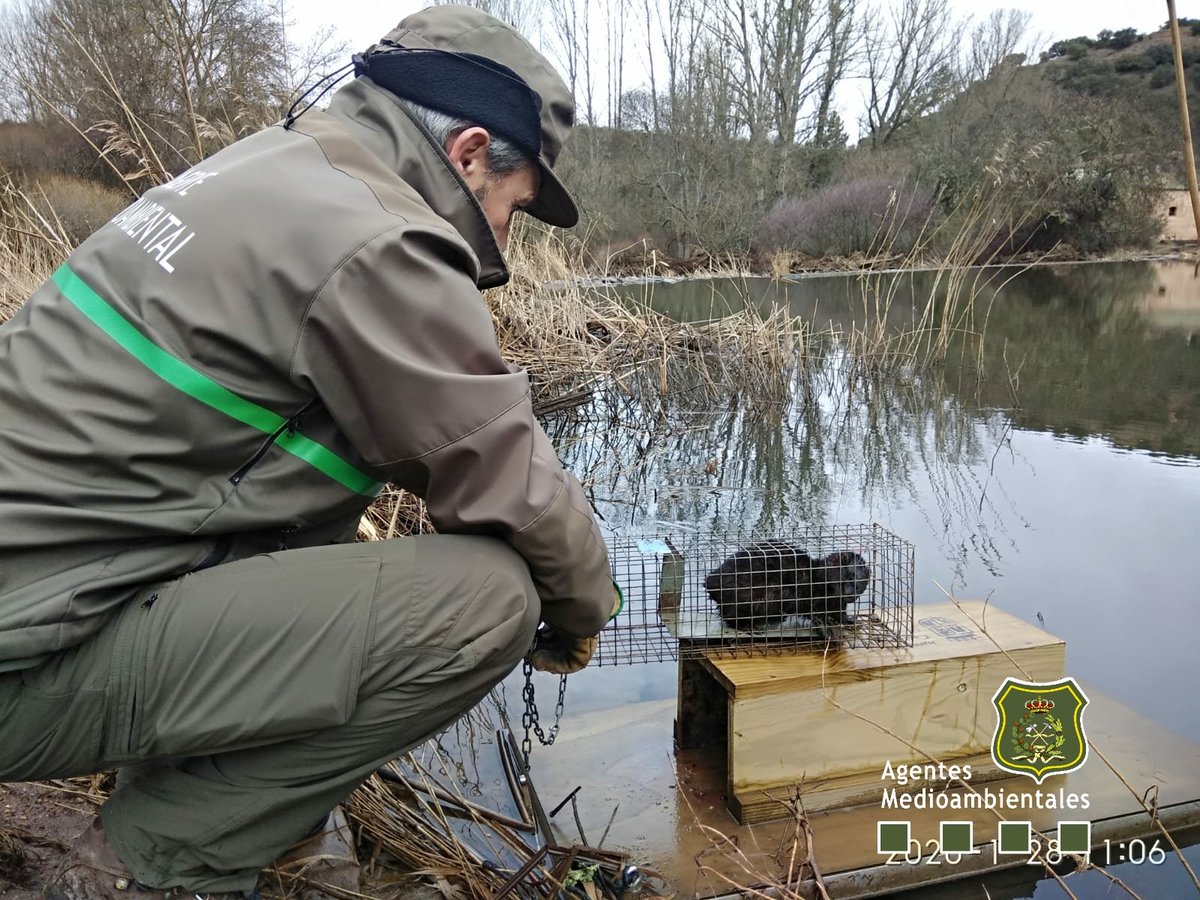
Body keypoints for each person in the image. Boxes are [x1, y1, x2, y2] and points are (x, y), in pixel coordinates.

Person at [0, 6, 617, 898]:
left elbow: (411, 437)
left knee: (320, 500)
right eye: (513, 211)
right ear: (471, 152)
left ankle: (220, 808)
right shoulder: (381, 236)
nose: (506, 247)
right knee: (483, 602)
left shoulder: (264, 169)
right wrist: (586, 605)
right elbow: (505, 476)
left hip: (34, 602)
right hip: (22, 662)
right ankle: (151, 866)